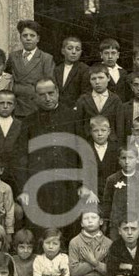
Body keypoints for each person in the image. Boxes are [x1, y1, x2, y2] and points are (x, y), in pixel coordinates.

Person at [17, 78, 86, 236]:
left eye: (50, 93)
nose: (47, 98)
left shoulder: (73, 117)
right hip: (40, 187)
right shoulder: (29, 121)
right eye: (42, 95)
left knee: (70, 229)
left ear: (57, 92)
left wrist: (84, 183)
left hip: (69, 186)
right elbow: (20, 156)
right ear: (35, 96)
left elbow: (83, 151)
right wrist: (23, 189)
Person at [101, 147, 139, 242]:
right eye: (123, 158)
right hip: (117, 224)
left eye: (131, 158)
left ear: (137, 159)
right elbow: (107, 202)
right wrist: (106, 222)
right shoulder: (112, 180)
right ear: (119, 160)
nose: (127, 161)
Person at [7, 19, 54, 118]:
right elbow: (6, 78)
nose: (28, 38)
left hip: (36, 107)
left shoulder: (46, 58)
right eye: (25, 35)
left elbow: (48, 85)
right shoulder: (13, 56)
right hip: (16, 107)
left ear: (38, 39)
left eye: (32, 35)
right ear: (20, 38)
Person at [76, 65, 123, 138]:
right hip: (89, 142)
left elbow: (119, 127)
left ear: (108, 78)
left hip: (111, 143)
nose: (97, 82)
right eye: (93, 79)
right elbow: (79, 126)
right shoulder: (83, 100)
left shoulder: (115, 100)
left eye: (101, 78)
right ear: (89, 80)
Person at [84, 116, 120, 205]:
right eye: (96, 131)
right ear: (90, 132)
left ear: (109, 131)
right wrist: (89, 192)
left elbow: (120, 173)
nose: (100, 134)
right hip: (91, 194)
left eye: (103, 130)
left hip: (112, 193)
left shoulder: (116, 149)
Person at [50, 36, 90, 109]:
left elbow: (86, 93)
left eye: (77, 49)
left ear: (80, 52)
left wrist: (76, 107)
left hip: (75, 109)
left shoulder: (84, 69)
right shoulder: (57, 69)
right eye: (70, 48)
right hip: (57, 109)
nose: (74, 52)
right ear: (63, 51)